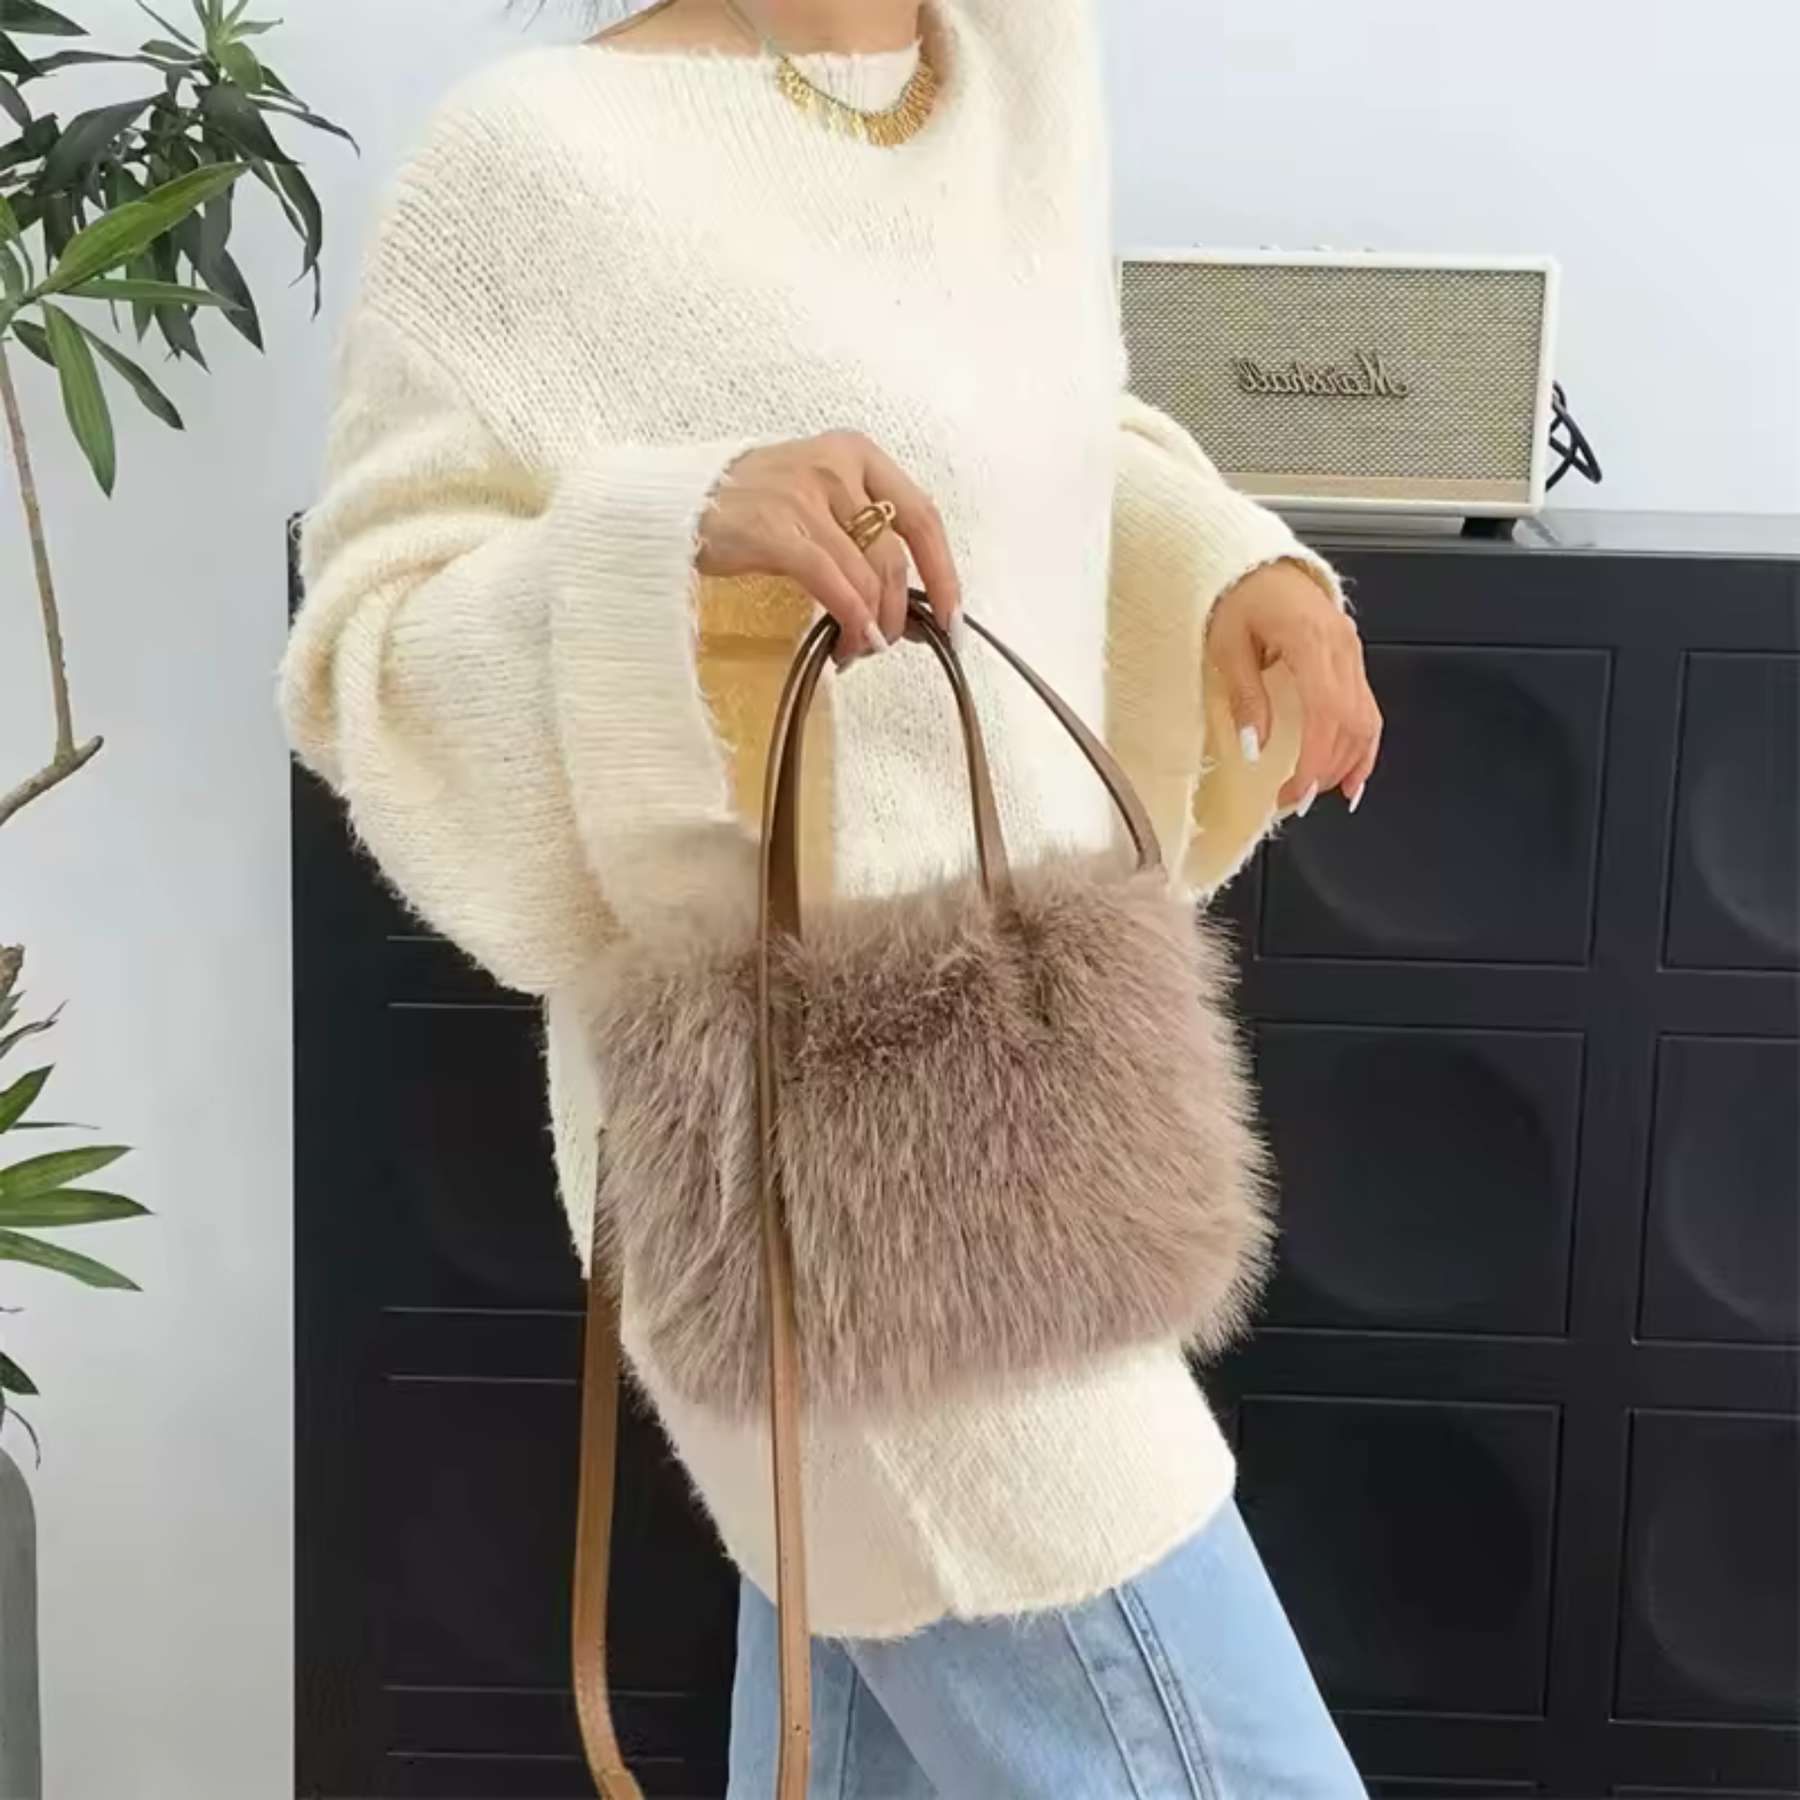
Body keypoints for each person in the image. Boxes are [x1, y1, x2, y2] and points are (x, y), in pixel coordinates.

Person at [282, 0, 1383, 1793]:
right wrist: (672, 534)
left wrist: (1225, 566)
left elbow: (1029, 431)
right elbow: (370, 650)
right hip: (821, 1175)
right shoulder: (532, 162)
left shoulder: (1022, 66)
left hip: (1059, 1100)